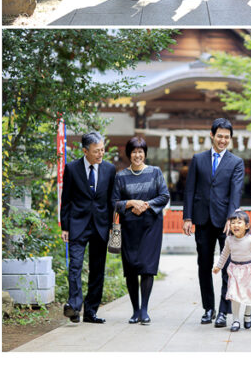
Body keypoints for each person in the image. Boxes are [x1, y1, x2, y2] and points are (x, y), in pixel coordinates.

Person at [183, 118, 245, 329]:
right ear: (212, 135)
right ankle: (208, 308)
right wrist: (187, 217)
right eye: (220, 136)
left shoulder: (236, 162)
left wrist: (231, 218)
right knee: (204, 265)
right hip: (202, 219)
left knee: (227, 267)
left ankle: (223, 311)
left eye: (227, 137)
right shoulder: (198, 159)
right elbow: (190, 189)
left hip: (226, 222)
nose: (223, 140)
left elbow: (236, 192)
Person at [111, 137, 170, 324]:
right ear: (129, 154)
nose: (137, 155)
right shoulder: (121, 176)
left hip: (151, 227)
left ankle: (144, 309)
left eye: (140, 151)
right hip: (129, 228)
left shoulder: (155, 172)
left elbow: (164, 196)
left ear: (145, 153)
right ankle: (135, 310)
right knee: (131, 268)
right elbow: (113, 202)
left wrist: (145, 205)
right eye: (134, 152)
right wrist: (130, 203)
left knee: (147, 267)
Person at [60, 131, 116, 323]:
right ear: (85, 151)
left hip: (101, 226)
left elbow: (111, 199)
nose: (101, 154)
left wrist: (112, 225)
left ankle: (91, 312)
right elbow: (66, 200)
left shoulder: (109, 169)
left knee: (97, 269)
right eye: (96, 151)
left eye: (102, 150)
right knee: (75, 266)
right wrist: (65, 227)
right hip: (77, 224)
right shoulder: (72, 168)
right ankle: (74, 307)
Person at [214, 210, 251, 332]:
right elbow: (224, 254)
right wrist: (219, 266)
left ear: (247, 226)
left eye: (239, 222)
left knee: (250, 293)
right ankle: (235, 320)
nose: (235, 225)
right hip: (235, 270)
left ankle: (248, 314)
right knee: (234, 295)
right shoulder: (229, 240)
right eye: (233, 223)